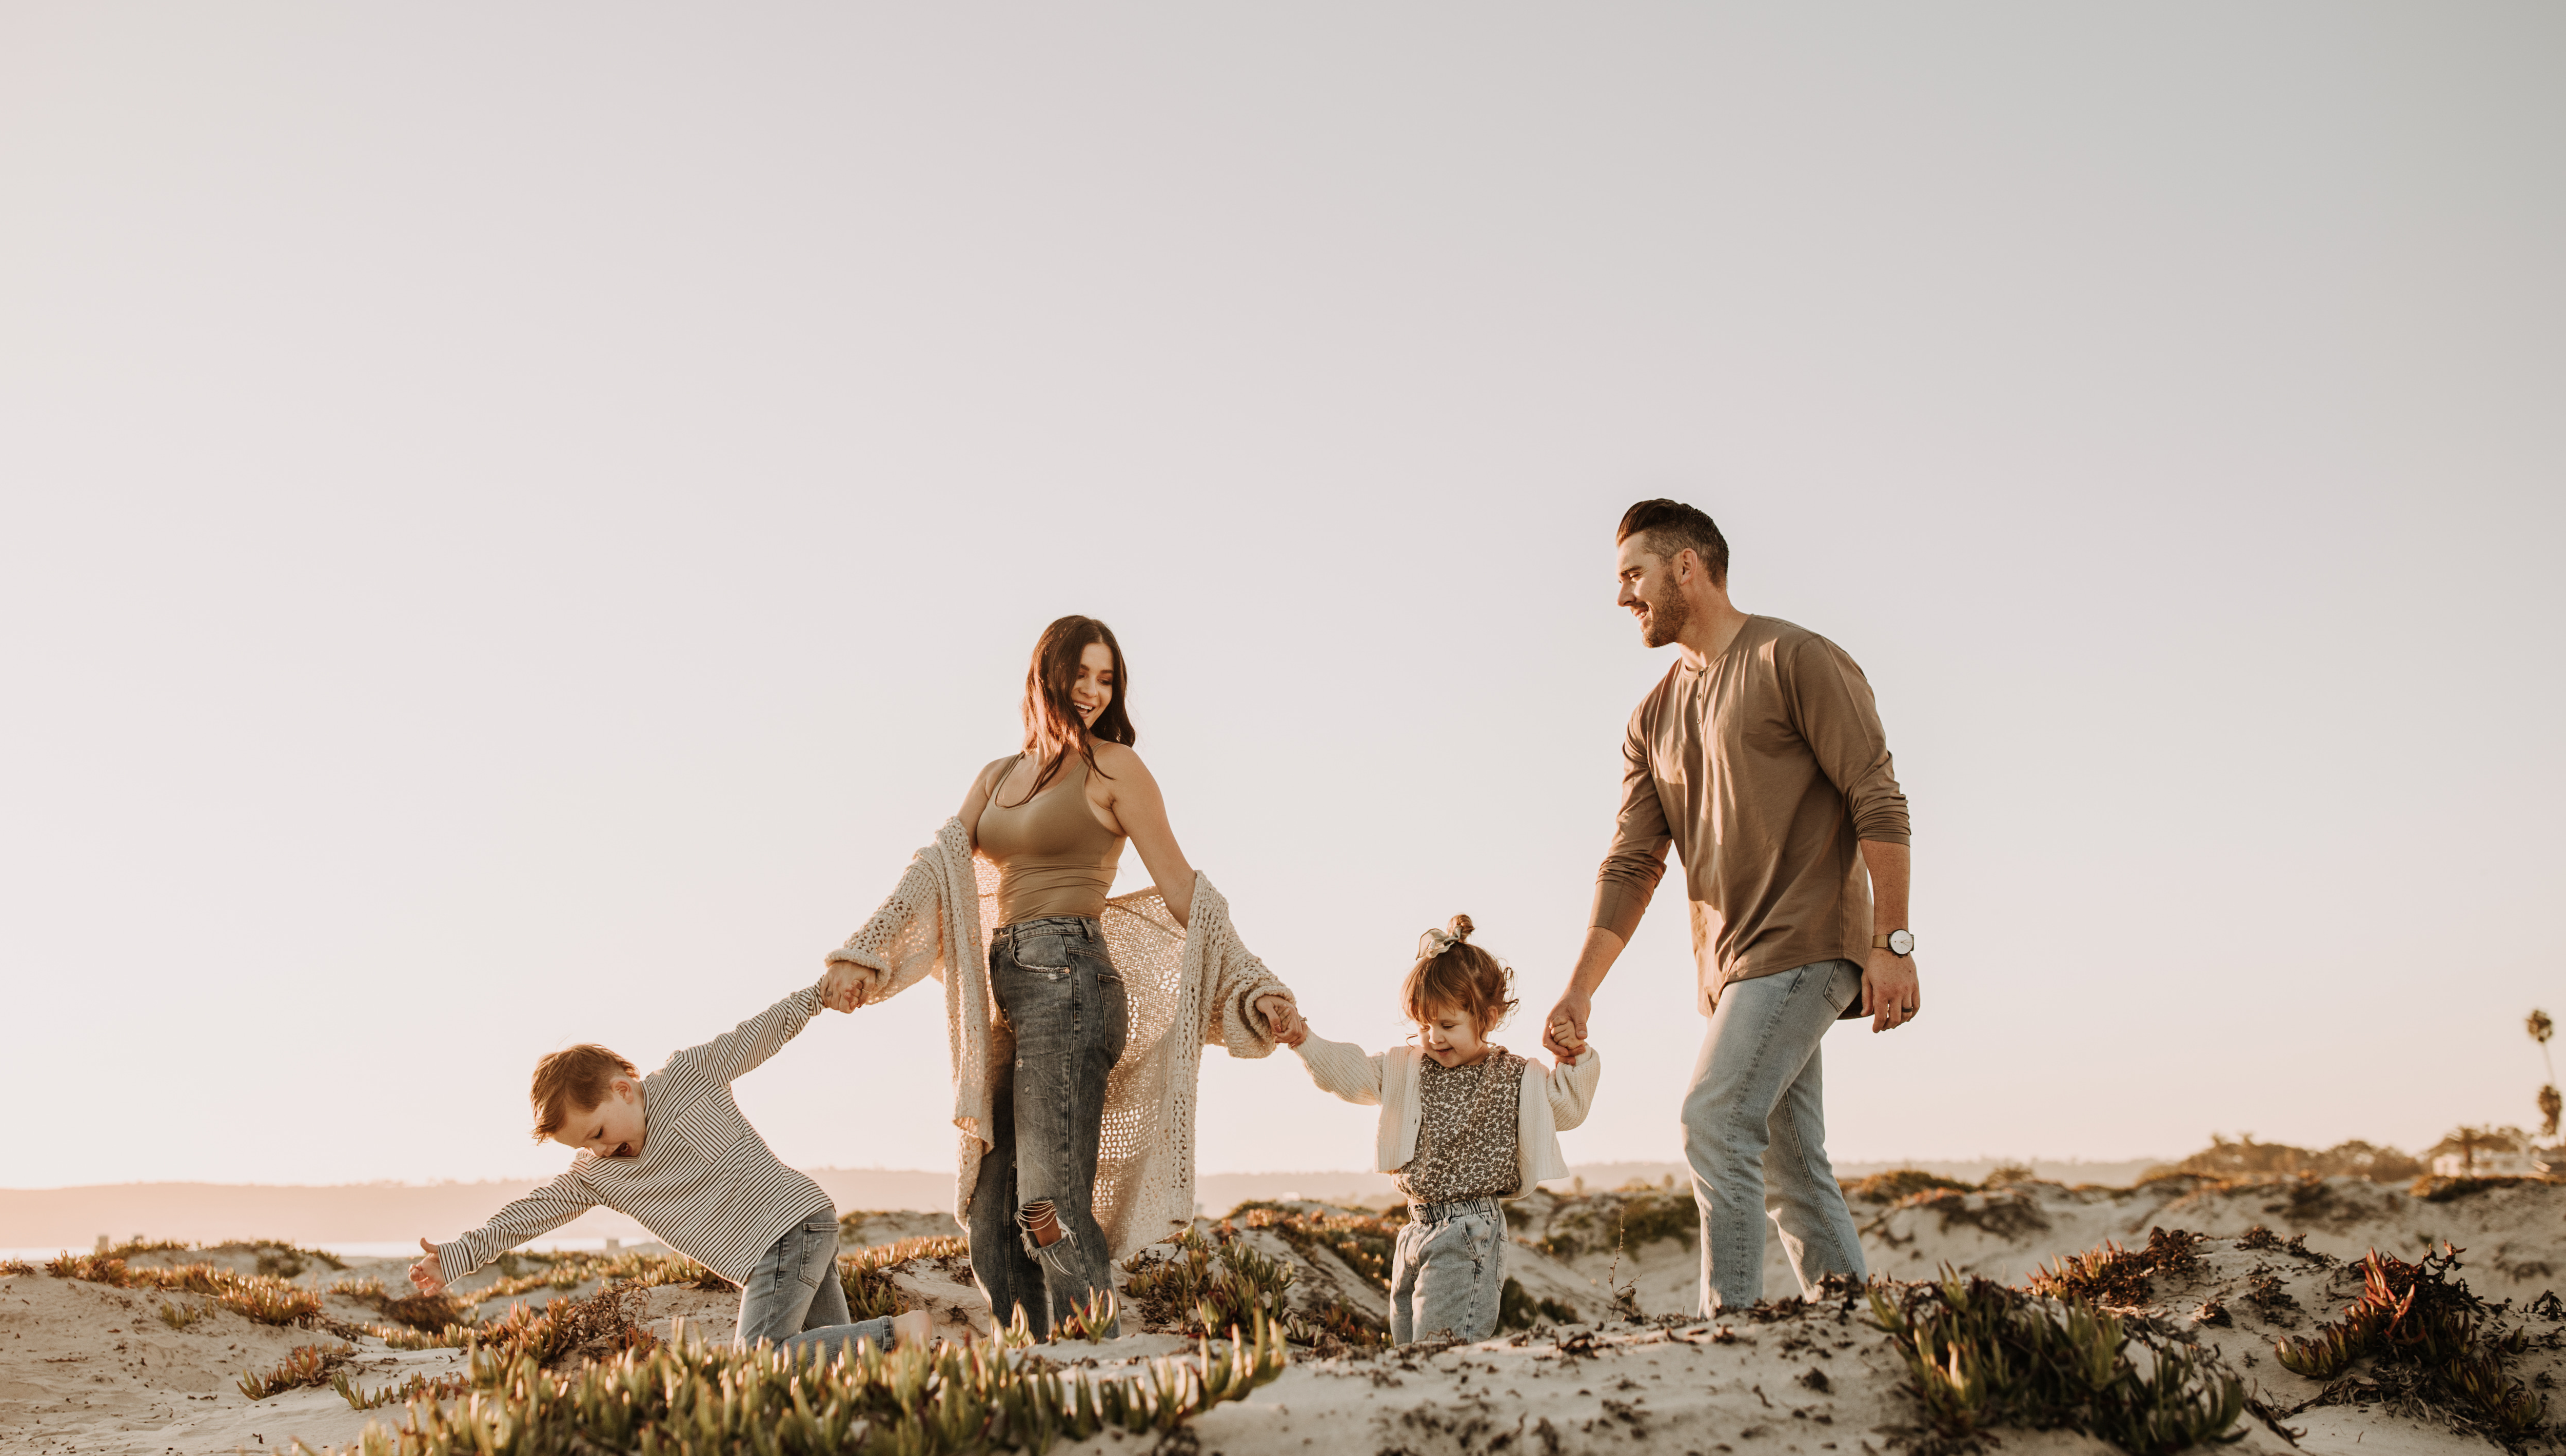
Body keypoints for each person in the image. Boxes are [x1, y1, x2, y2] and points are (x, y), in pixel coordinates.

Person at [819, 614, 1307, 1341]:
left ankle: (1094, 1352)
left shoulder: (1116, 769)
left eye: (1106, 679)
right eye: (1080, 674)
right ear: (1045, 675)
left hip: (1074, 986)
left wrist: (1252, 977)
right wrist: (867, 952)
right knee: (991, 1207)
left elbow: (1184, 889)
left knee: (1047, 1199)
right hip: (1009, 992)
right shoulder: (994, 777)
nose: (1091, 691)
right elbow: (937, 868)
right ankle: (1032, 1354)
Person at [1541, 499, 1917, 1316]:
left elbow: (1877, 799)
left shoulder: (1796, 658)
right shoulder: (1652, 716)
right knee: (1790, 1164)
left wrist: (1893, 942)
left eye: (1632, 575)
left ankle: (1734, 1330)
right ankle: (1855, 1326)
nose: (1621, 598)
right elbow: (1633, 864)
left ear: (1687, 567)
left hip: (1809, 943)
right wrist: (1581, 989)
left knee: (1712, 1120)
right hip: (1732, 967)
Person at [407, 988, 933, 1359]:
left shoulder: (687, 1076)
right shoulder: (596, 1174)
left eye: (597, 1133)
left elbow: (757, 1034)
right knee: (832, 1355)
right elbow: (530, 1215)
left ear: (623, 1089)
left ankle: (900, 1334)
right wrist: (456, 1256)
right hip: (788, 1240)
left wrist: (818, 995)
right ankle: (897, 1382)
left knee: (761, 1357)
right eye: (585, 1146)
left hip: (788, 1223)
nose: (600, 1149)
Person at [1291, 915, 1598, 1342]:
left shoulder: (1515, 1077)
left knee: (1441, 1352)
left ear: (1487, 1018)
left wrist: (1574, 1057)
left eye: (1448, 1025)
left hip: (1470, 1231)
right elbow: (1352, 1073)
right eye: (1423, 1025)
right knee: (1407, 1349)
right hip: (1415, 1228)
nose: (1433, 1037)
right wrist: (1303, 1039)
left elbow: (1568, 1107)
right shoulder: (1408, 1068)